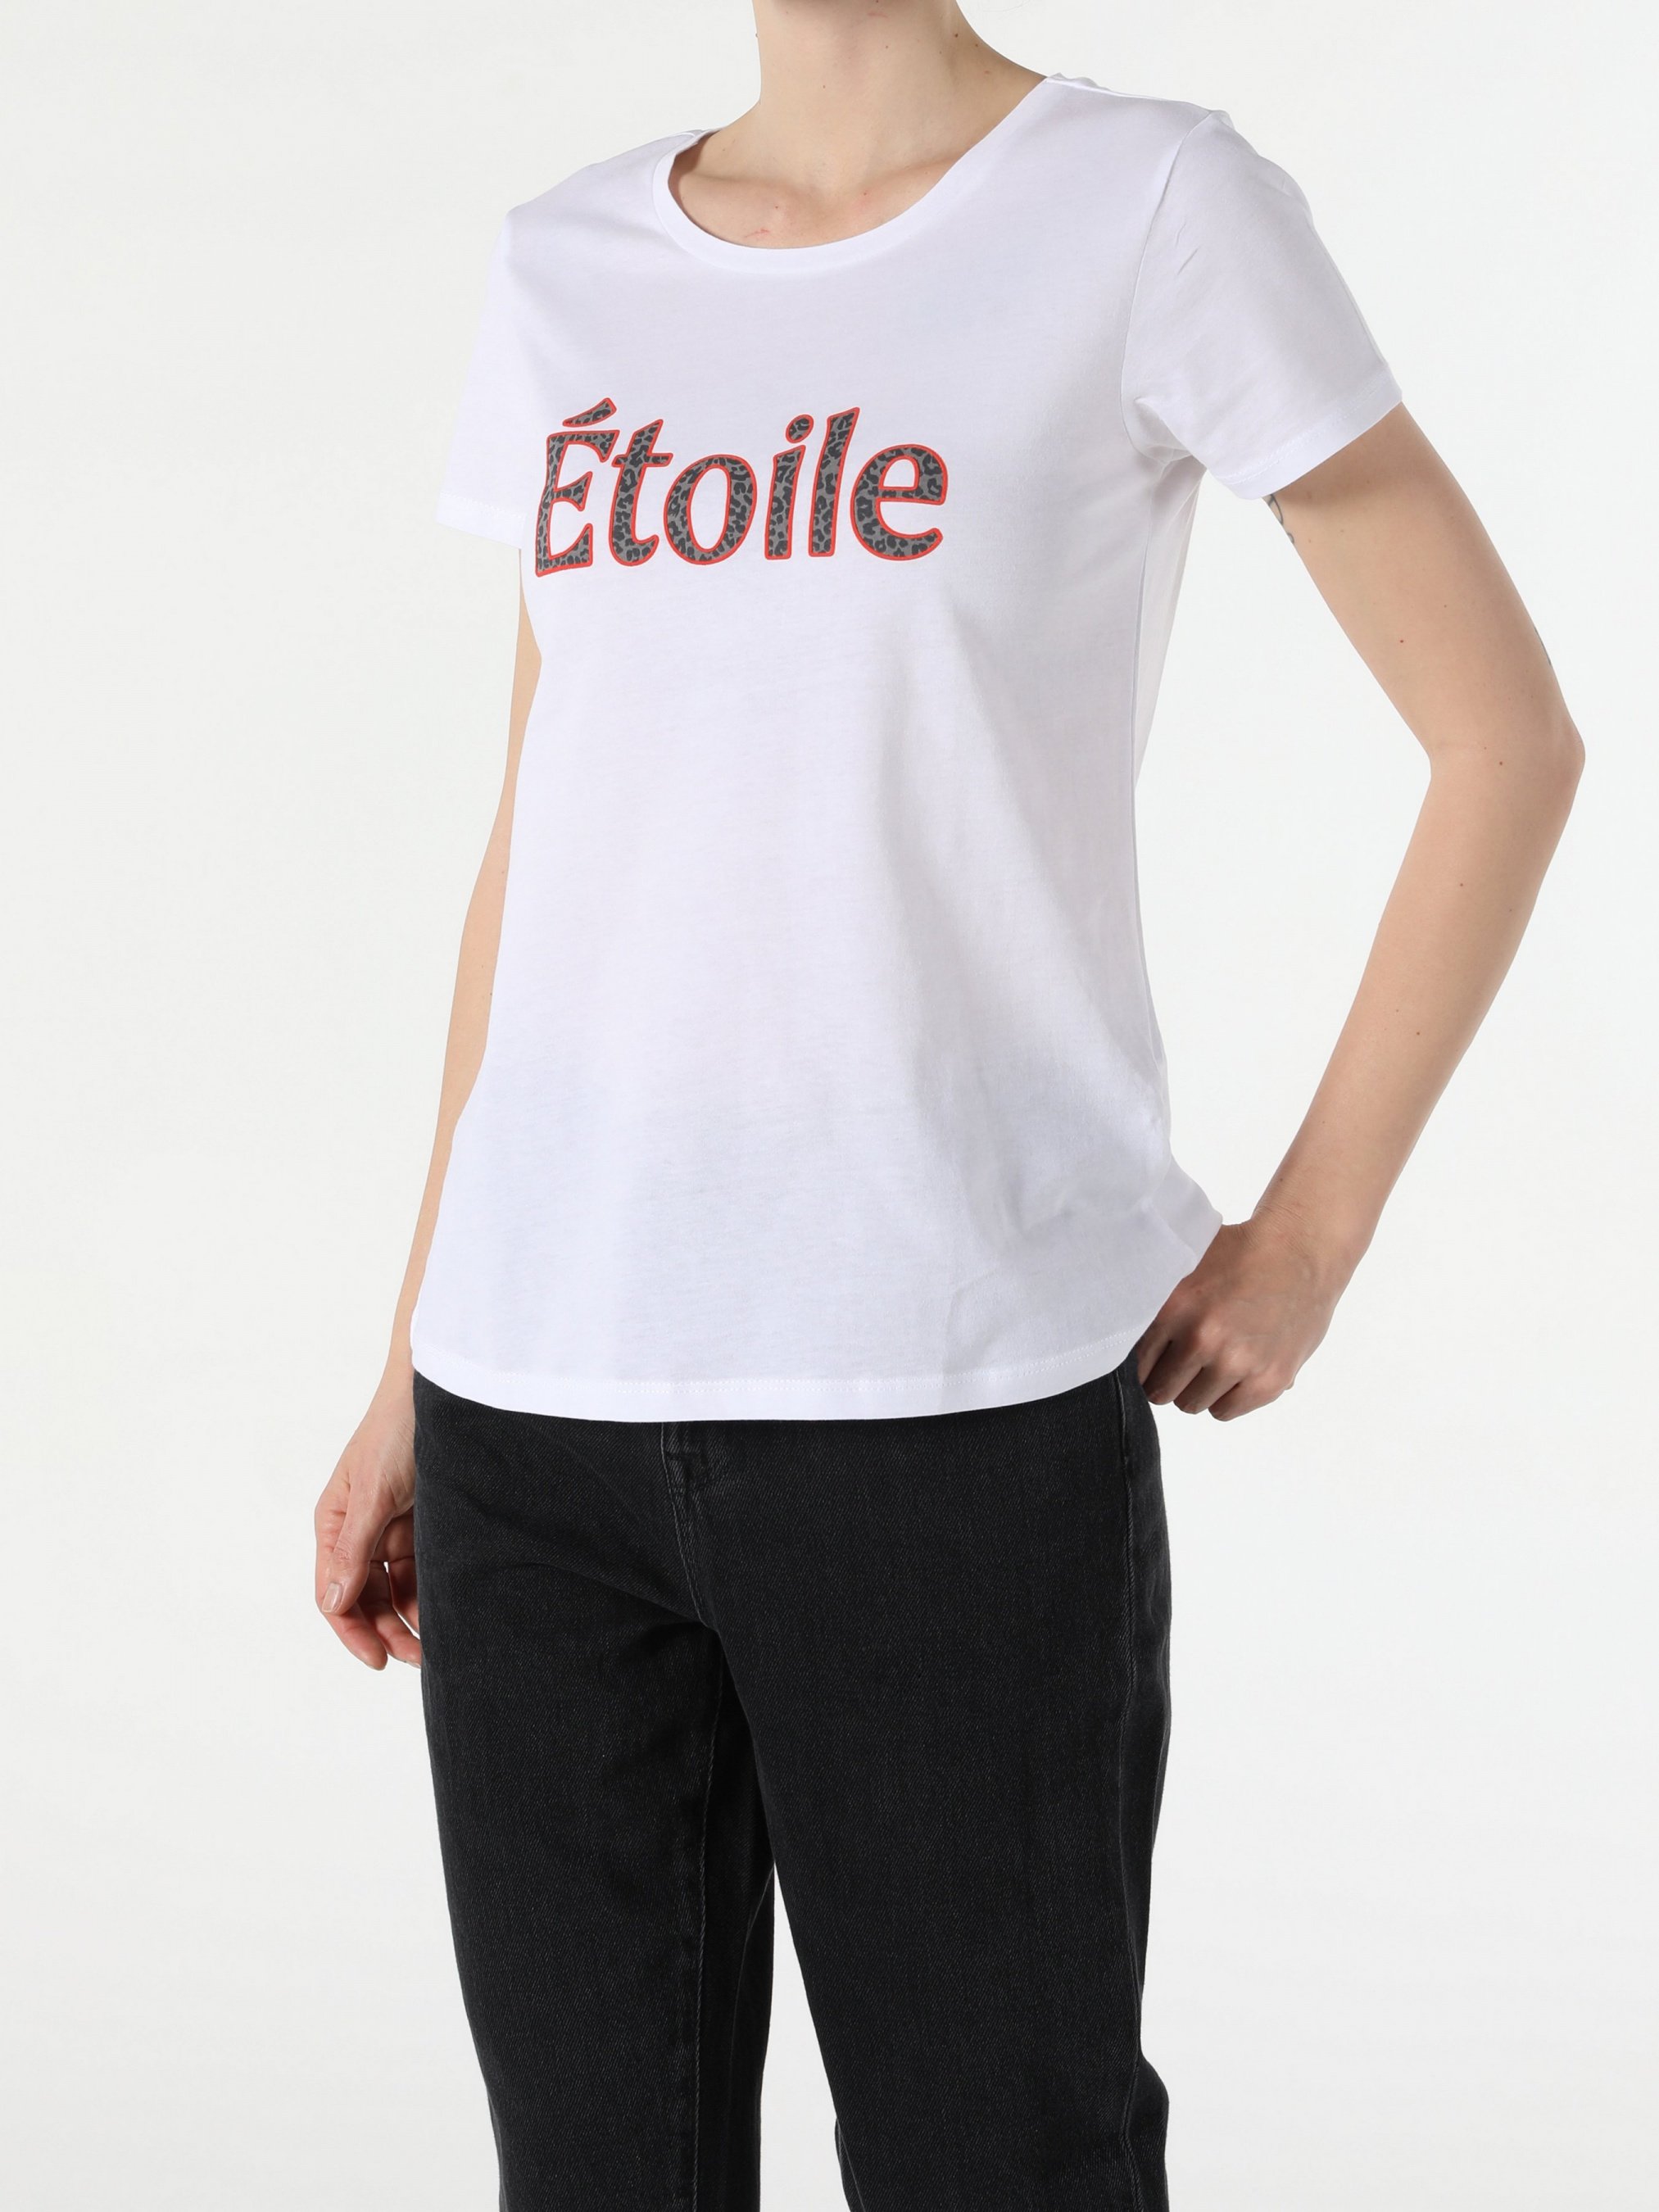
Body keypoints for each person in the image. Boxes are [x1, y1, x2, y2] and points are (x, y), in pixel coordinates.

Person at [312, 6, 1581, 2206]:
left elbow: (1505, 741)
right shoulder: (567, 260)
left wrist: (1307, 1240)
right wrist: (410, 1359)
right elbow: (550, 833)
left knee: (1001, 2161)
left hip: (947, 1409)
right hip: (537, 1413)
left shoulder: (1147, 206)